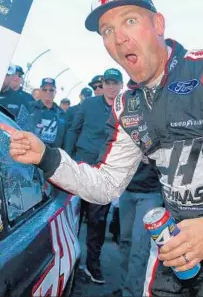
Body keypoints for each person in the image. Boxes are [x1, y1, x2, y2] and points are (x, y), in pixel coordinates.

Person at [0, 0, 203, 297]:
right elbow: (106, 185)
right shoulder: (126, 103)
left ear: (158, 24)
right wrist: (46, 157)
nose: (118, 38)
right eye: (106, 31)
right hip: (173, 241)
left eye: (130, 20)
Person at [64, 68, 123, 284]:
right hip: (80, 169)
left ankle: (92, 265)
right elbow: (72, 130)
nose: (110, 87)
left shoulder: (125, 109)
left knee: (97, 223)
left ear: (121, 85)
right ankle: (67, 261)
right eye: (107, 83)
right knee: (72, 219)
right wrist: (68, 160)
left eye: (115, 83)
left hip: (104, 175)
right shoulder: (88, 105)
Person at [113, 161, 163, 297]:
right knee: (125, 243)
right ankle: (125, 288)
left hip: (151, 192)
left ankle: (133, 293)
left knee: (140, 250)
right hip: (127, 189)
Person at [28, 78, 68, 149]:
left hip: (51, 154)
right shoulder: (30, 107)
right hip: (30, 149)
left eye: (51, 90)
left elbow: (65, 137)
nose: (48, 92)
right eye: (44, 89)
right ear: (40, 91)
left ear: (55, 92)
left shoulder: (62, 113)